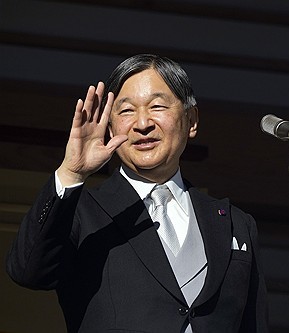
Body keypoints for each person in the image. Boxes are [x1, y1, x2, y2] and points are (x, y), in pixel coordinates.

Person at [6, 54, 268, 333]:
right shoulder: (83, 211)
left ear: (191, 120)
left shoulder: (235, 223)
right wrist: (71, 173)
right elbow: (28, 272)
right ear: (110, 126)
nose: (142, 123)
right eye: (127, 111)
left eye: (157, 106)